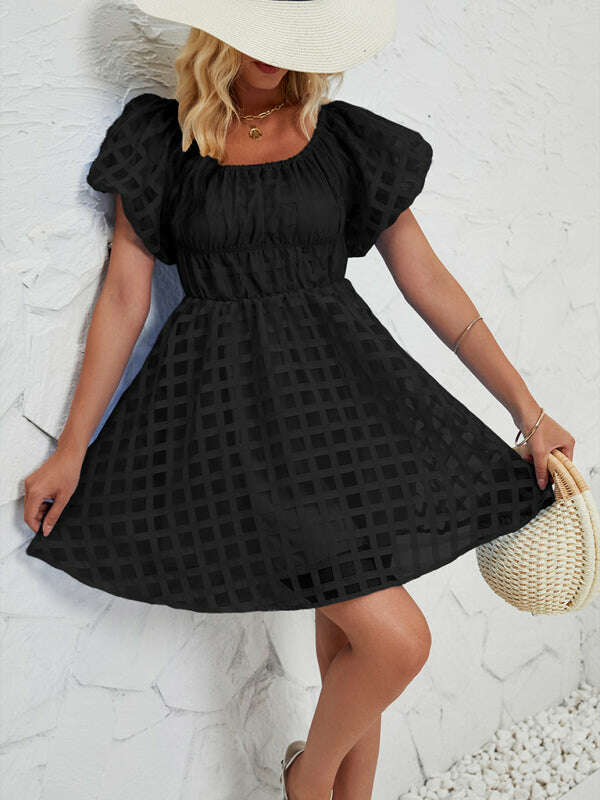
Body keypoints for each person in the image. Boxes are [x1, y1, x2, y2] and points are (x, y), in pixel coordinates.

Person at [23, 3, 573, 799]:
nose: (273, 53)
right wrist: (73, 447)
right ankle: (304, 784)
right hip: (238, 429)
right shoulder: (162, 141)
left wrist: (529, 410)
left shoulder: (341, 140)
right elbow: (122, 298)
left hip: (346, 418)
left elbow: (429, 283)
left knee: (349, 651)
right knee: (398, 643)